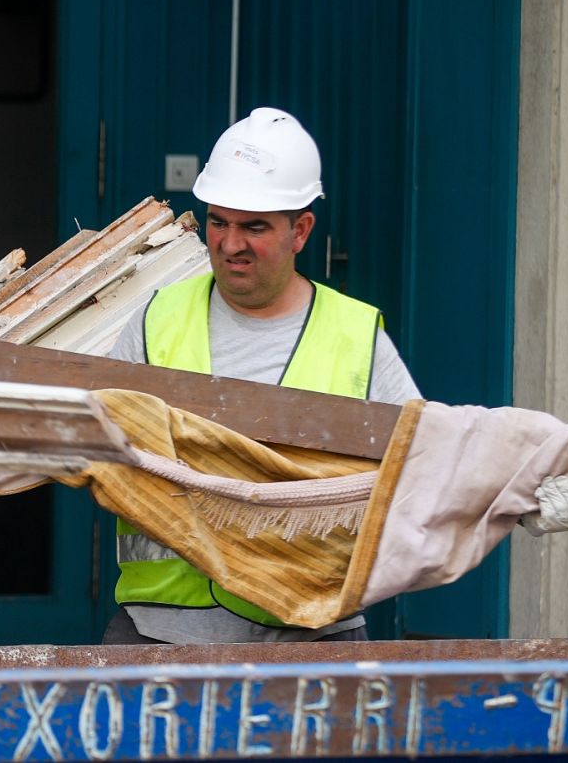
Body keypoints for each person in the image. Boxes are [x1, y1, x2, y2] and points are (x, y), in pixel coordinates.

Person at [102, 107, 420, 644]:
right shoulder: (157, 320)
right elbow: (97, 453)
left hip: (314, 634)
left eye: (253, 227)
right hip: (160, 634)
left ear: (301, 230)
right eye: (218, 222)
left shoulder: (356, 337)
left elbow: (424, 468)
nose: (229, 245)